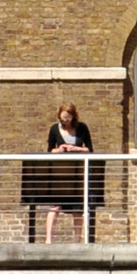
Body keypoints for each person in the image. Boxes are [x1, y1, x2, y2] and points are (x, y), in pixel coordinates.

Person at [31, 103, 96, 243]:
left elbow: (89, 149)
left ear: (73, 116)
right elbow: (50, 150)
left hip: (77, 173)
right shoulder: (54, 129)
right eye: (62, 118)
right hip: (60, 172)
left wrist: (75, 148)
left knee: (77, 209)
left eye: (67, 118)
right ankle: (48, 239)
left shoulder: (82, 128)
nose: (64, 121)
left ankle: (77, 240)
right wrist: (59, 149)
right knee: (55, 205)